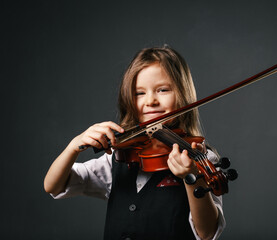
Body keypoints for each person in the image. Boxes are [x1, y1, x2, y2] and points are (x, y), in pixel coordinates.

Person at [44, 46, 225, 240]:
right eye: (139, 93)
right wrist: (73, 147)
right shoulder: (120, 156)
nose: (150, 101)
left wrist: (192, 177)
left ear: (182, 94)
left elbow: (207, 232)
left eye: (162, 90)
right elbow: (53, 186)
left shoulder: (199, 155)